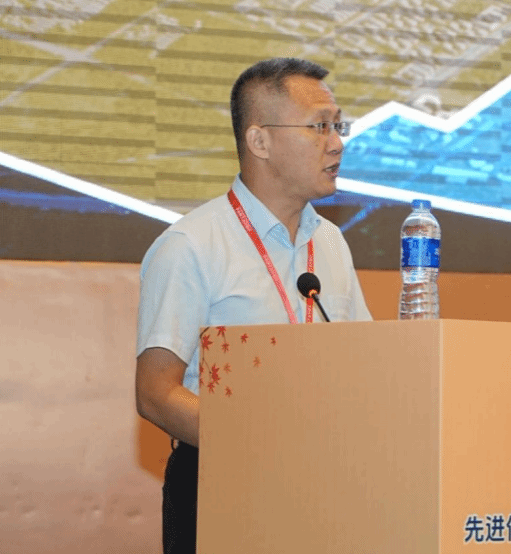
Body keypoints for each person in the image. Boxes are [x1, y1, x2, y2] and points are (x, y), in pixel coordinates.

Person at [135, 57, 372, 554]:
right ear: (259, 141)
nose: (336, 143)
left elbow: (365, 362)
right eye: (319, 127)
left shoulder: (331, 243)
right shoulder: (191, 245)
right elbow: (156, 393)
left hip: (322, 484)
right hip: (220, 481)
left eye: (338, 126)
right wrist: (257, 442)